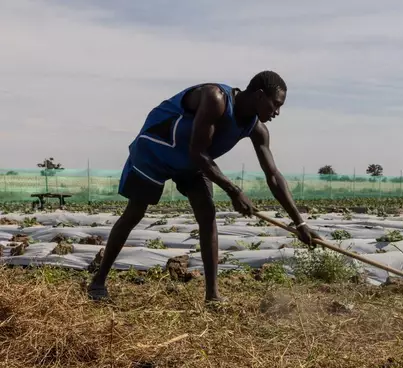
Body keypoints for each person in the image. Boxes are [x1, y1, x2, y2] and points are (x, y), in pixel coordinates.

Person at [87, 70, 321, 302]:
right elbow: (198, 152)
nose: (277, 112)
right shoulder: (215, 98)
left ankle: (212, 296)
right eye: (275, 104)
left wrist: (300, 223)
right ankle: (98, 282)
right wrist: (234, 190)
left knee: (208, 214)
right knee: (134, 213)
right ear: (259, 95)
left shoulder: (257, 130)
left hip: (191, 162)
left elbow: (273, 176)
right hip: (157, 149)